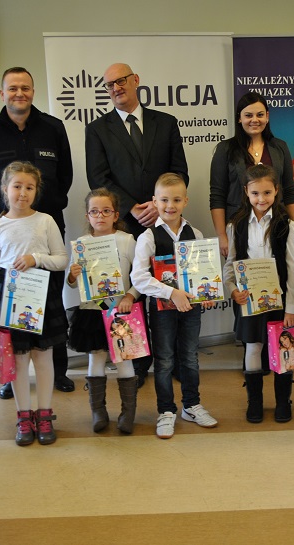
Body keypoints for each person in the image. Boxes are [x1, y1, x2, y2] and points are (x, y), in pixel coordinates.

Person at [0, 66, 75, 399]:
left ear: (33, 92)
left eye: (25, 88)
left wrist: (45, 210)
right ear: (2, 93)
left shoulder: (53, 128)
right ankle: (9, 374)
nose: (19, 93)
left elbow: (66, 175)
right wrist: (2, 214)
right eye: (12, 88)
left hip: (46, 227)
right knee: (8, 301)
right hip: (7, 231)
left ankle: (57, 370)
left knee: (52, 297)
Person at [85, 62, 188, 385]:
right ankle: (139, 361)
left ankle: (171, 360)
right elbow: (98, 178)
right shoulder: (97, 129)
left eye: (121, 81)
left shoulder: (166, 123)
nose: (116, 88)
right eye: (109, 84)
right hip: (125, 223)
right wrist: (131, 208)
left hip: (165, 220)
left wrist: (158, 206)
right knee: (133, 293)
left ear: (136, 81)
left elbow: (179, 171)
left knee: (169, 285)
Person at [0, 161, 68, 446]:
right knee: (18, 361)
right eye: (17, 186)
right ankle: (23, 417)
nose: (23, 192)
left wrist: (36, 258)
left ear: (36, 191)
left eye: (29, 187)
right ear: (5, 189)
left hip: (42, 296)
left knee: (43, 358)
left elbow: (62, 260)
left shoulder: (46, 221)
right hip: (10, 301)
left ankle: (44, 415)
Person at [130, 173, 217, 439]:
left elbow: (204, 271)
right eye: (164, 200)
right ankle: (166, 411)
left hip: (191, 310)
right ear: (154, 201)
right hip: (162, 311)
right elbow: (139, 278)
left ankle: (191, 405)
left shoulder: (196, 234)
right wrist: (171, 292)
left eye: (177, 200)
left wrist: (207, 292)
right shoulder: (148, 236)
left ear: (185, 201)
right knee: (165, 360)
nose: (170, 205)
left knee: (189, 357)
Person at [222, 164, 294, 424]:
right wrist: (232, 290)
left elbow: (293, 269)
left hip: (280, 301)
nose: (261, 199)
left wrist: (291, 307)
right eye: (255, 193)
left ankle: (283, 401)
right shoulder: (236, 225)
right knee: (253, 346)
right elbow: (230, 264)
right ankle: (254, 402)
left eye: (267, 192)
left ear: (276, 190)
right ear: (246, 191)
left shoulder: (289, 226)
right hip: (249, 300)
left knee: (282, 347)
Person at [66, 188, 140, 433]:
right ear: (87, 216)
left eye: (106, 211)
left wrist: (130, 296)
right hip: (91, 312)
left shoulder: (126, 241)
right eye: (94, 211)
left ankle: (128, 414)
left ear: (116, 215)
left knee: (124, 360)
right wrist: (72, 276)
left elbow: (141, 275)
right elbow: (72, 283)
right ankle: (98, 411)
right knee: (95, 358)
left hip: (120, 311)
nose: (100, 216)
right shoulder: (81, 245)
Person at [210, 92, 294, 257]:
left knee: (279, 271)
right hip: (238, 228)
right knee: (240, 272)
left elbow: (289, 191)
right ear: (239, 118)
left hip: (277, 227)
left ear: (267, 116)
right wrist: (222, 235)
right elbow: (217, 195)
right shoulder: (225, 149)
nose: (255, 120)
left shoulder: (280, 147)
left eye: (260, 115)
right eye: (248, 115)